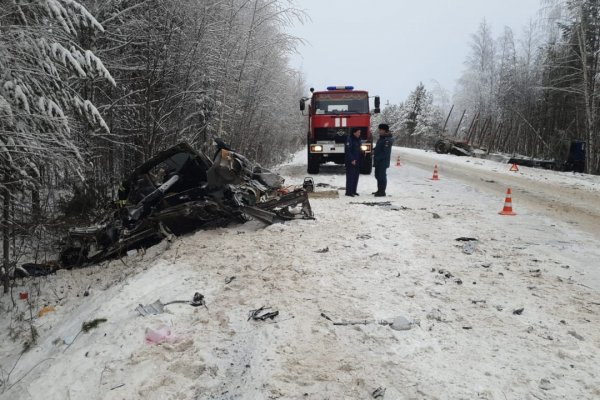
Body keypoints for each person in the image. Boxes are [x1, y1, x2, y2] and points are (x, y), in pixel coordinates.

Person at [372, 123, 394, 197]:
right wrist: (373, 150)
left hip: (382, 162)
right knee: (377, 175)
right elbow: (378, 148)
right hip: (378, 161)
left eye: (381, 130)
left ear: (385, 130)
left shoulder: (387, 140)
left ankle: (382, 192)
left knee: (381, 176)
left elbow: (385, 153)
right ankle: (379, 190)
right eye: (379, 129)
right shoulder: (381, 138)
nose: (380, 131)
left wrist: (377, 158)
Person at [345, 128, 362, 197]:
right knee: (350, 176)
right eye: (358, 132)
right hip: (351, 161)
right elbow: (348, 150)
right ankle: (349, 192)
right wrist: (352, 159)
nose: (359, 134)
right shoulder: (349, 139)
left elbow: (359, 149)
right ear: (354, 133)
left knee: (356, 176)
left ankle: (354, 191)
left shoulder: (359, 139)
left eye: (359, 132)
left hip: (357, 160)